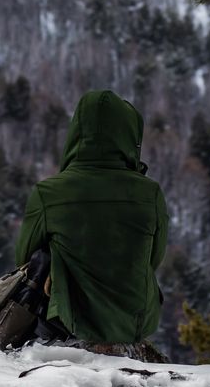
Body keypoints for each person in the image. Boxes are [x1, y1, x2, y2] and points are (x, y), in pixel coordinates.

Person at [15, 89, 169, 347]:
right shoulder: (150, 193)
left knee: (45, 256)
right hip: (133, 322)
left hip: (65, 323)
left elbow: (25, 261)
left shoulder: (48, 193)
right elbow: (154, 258)